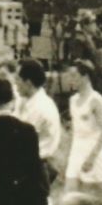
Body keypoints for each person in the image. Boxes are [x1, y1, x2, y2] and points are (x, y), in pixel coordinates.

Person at [64, 61, 102, 196]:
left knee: (101, 198)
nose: (70, 80)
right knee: (70, 195)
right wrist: (68, 156)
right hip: (76, 151)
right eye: (69, 76)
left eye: (74, 76)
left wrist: (92, 158)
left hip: (95, 152)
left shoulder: (97, 99)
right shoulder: (72, 100)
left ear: (85, 77)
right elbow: (74, 131)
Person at [16, 60, 64, 190]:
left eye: (18, 80)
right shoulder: (26, 102)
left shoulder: (40, 107)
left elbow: (19, 140)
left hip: (38, 167)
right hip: (29, 164)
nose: (16, 84)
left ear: (28, 83)